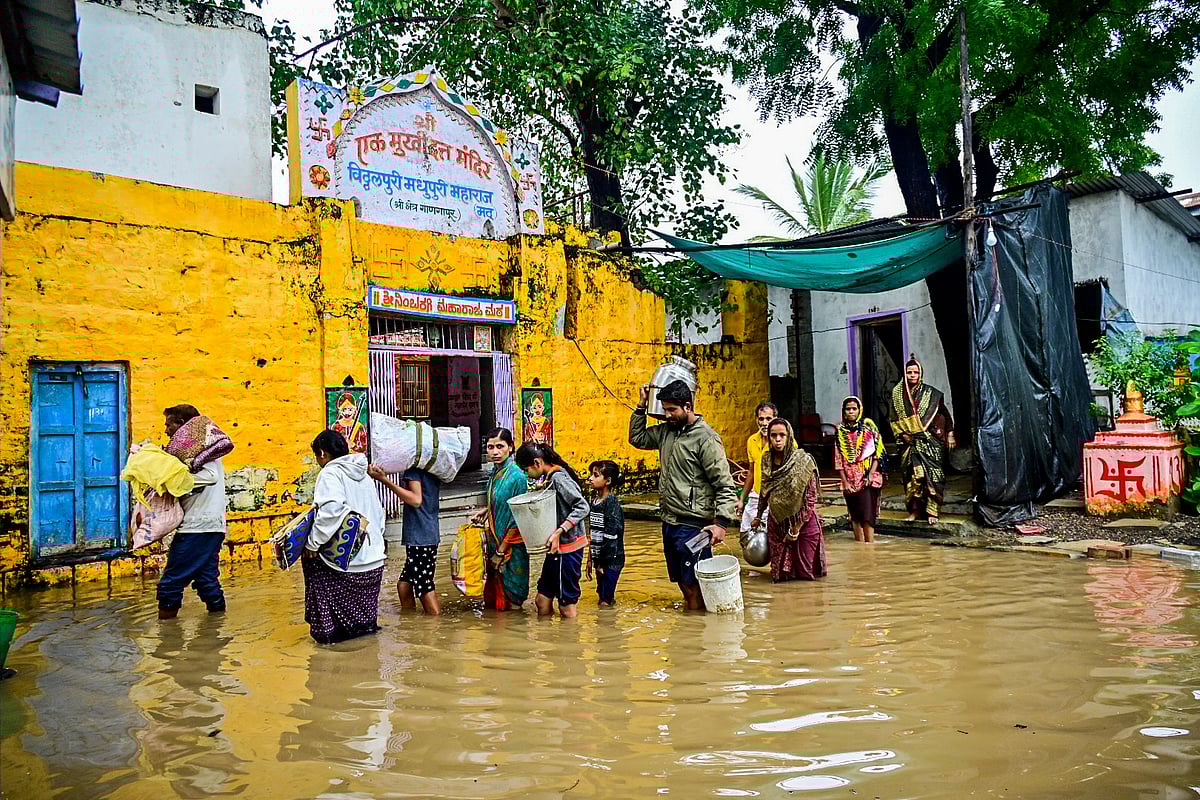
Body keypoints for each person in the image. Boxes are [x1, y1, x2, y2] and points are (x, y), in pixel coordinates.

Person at [629, 379, 739, 611]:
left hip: (694, 524)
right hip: (670, 520)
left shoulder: (706, 438)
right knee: (681, 580)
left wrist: (721, 523)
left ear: (688, 407)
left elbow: (724, 484)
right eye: (665, 409)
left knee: (694, 582)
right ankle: (693, 627)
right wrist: (640, 406)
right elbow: (637, 439)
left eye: (672, 410)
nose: (667, 415)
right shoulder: (665, 433)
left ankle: (698, 633)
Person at [304, 430, 387, 644]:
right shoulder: (364, 475)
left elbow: (331, 511)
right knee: (365, 631)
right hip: (375, 560)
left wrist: (312, 544)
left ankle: (328, 638)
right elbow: (379, 514)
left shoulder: (330, 473)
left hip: (350, 566)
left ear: (322, 453)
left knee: (313, 566)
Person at [157, 404, 227, 620]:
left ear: (182, 426)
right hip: (211, 526)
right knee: (206, 579)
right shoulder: (199, 452)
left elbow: (210, 477)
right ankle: (216, 630)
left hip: (198, 527)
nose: (166, 430)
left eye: (169, 425)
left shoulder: (204, 453)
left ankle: (166, 639)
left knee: (171, 581)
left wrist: (171, 482)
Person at [514, 442, 589, 618]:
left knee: (566, 607)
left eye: (527, 470)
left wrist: (559, 531)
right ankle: (549, 640)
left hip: (567, 548)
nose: (527, 475)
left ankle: (571, 641)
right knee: (542, 600)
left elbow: (582, 507)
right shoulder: (551, 477)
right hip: (556, 548)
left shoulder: (558, 478)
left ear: (537, 463)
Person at [752, 418, 827, 582]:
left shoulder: (803, 461)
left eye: (782, 435)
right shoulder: (766, 460)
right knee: (779, 574)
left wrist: (795, 529)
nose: (777, 440)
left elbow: (810, 499)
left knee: (804, 573)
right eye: (773, 436)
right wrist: (758, 516)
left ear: (789, 437)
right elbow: (765, 491)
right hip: (777, 523)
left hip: (804, 523)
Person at [368, 463, 442, 615]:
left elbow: (415, 499)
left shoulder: (414, 470)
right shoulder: (432, 467)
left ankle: (435, 625)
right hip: (426, 533)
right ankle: (410, 620)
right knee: (404, 583)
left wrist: (384, 480)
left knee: (424, 586)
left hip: (420, 536)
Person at [889, 357, 956, 524]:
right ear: (904, 374)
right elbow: (892, 420)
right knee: (912, 478)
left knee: (933, 477)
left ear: (921, 374)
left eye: (916, 372)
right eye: (909, 372)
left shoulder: (931, 394)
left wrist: (950, 433)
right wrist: (902, 435)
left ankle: (933, 512)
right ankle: (915, 511)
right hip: (909, 444)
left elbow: (945, 414)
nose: (912, 375)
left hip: (931, 442)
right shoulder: (897, 395)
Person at [473, 428, 530, 611]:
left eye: (500, 446)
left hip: (512, 547)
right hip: (495, 542)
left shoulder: (517, 476)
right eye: (490, 447)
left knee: (514, 600)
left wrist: (501, 551)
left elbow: (518, 517)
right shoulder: (495, 473)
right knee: (495, 598)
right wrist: (486, 510)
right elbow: (501, 500)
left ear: (510, 448)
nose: (495, 452)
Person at [834, 396, 883, 543]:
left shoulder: (869, 428)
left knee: (867, 514)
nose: (851, 412)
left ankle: (869, 545)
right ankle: (859, 544)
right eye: (848, 409)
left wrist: (870, 474)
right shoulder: (839, 432)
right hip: (849, 479)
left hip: (867, 478)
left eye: (854, 409)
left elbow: (877, 454)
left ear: (859, 410)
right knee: (854, 514)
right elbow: (838, 459)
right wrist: (845, 482)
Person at [585, 460, 625, 608]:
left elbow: (611, 537)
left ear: (607, 481)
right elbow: (594, 535)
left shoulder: (611, 503)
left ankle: (607, 627)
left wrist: (601, 562)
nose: (590, 478)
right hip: (600, 558)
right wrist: (590, 559)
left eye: (595, 475)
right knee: (603, 597)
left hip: (611, 560)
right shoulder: (594, 501)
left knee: (604, 603)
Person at [736, 402, 778, 543]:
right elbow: (751, 472)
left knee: (772, 540)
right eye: (761, 419)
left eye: (768, 419)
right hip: (756, 496)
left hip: (775, 498)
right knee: (745, 537)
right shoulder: (752, 441)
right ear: (756, 420)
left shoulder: (783, 441)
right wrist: (742, 499)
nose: (764, 423)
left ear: (776, 419)